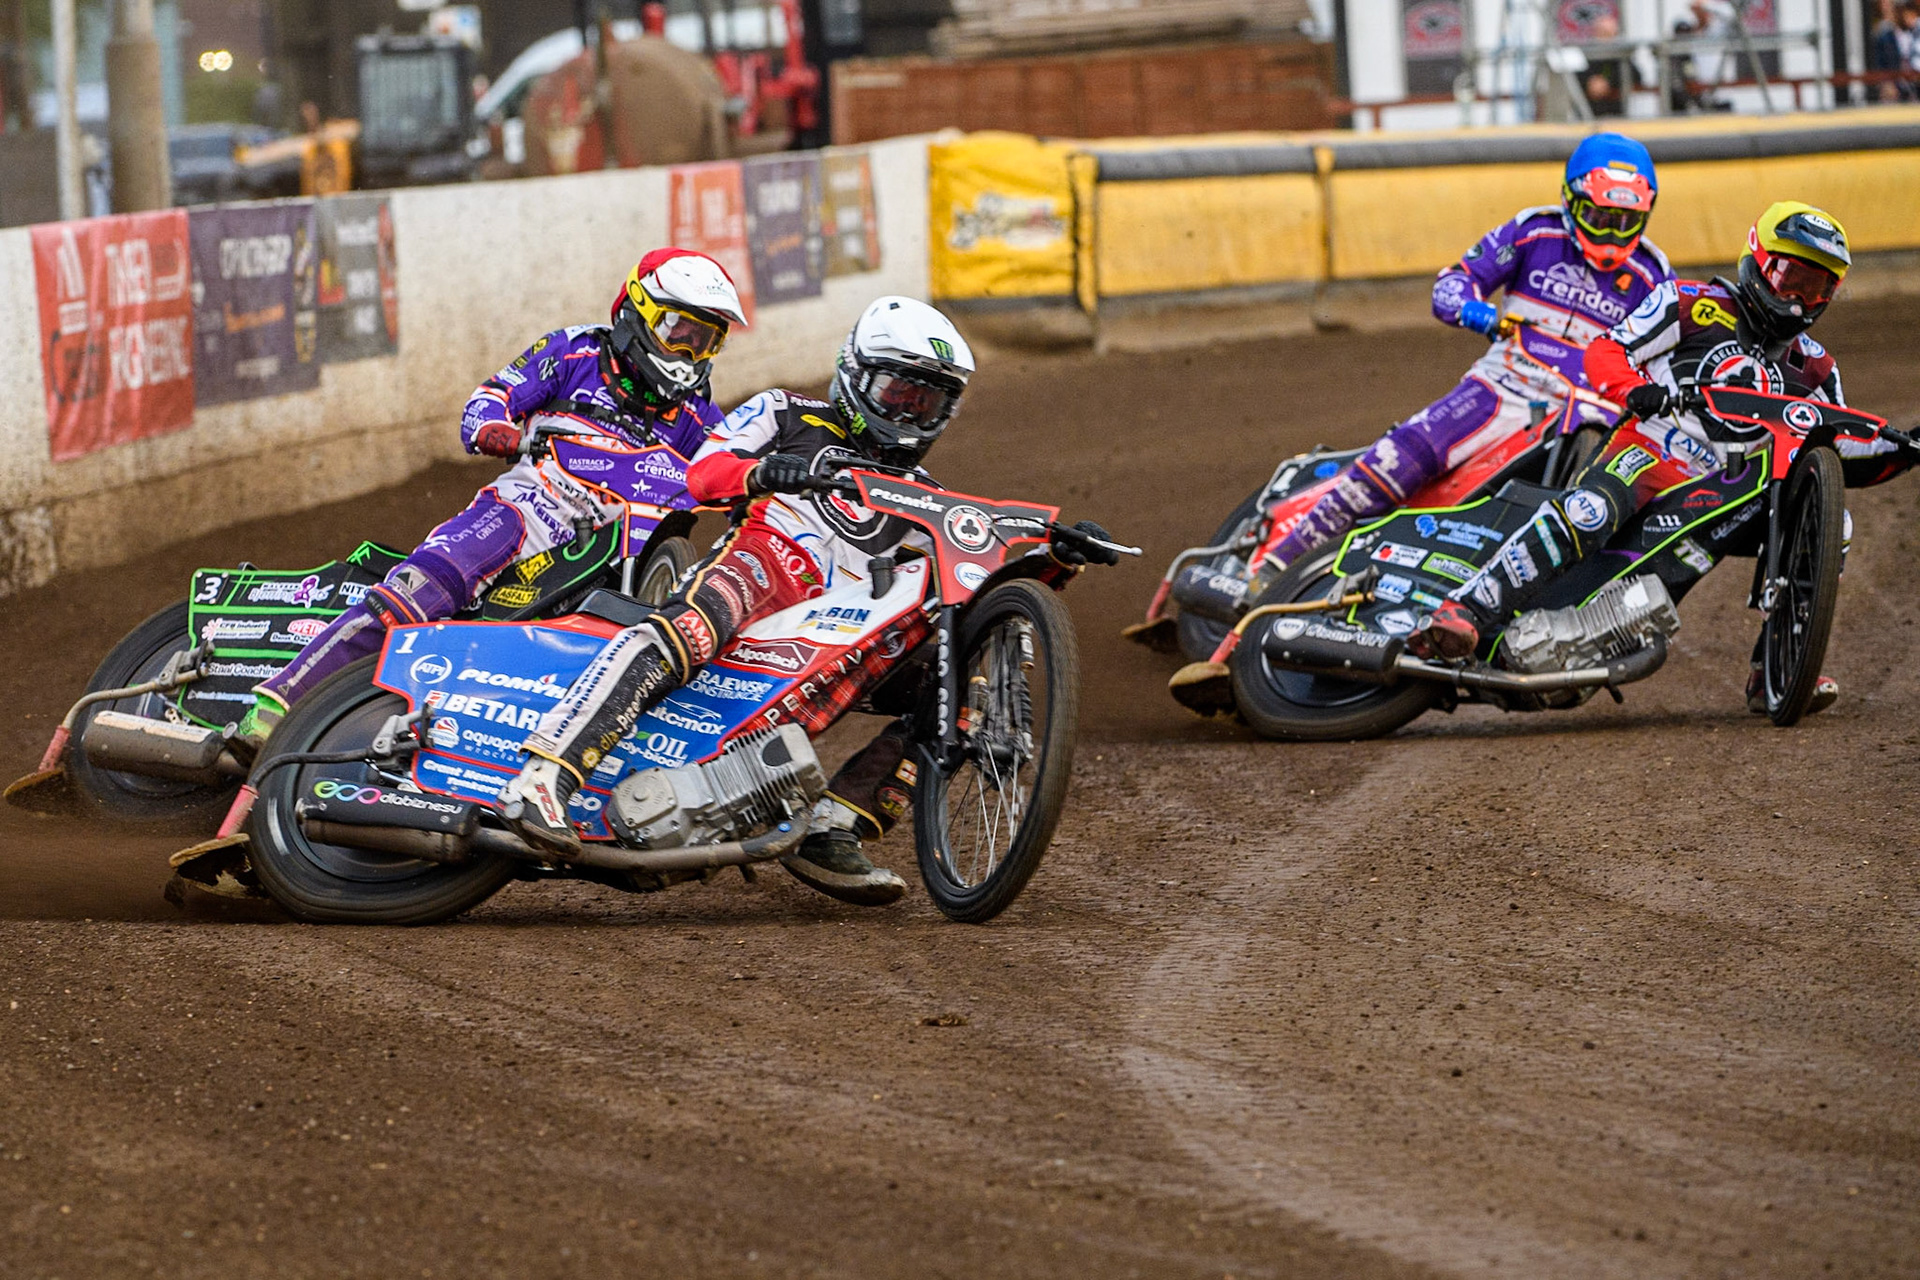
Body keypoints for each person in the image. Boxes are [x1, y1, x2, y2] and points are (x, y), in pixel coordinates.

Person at [495, 295, 1113, 905]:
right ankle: (545, 775)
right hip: (762, 567)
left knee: (957, 683)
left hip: (836, 634)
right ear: (855, 373)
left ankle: (834, 826)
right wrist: (763, 472)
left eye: (926, 401)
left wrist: (1055, 559)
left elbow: (963, 589)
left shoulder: (925, 493)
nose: (908, 411)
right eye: (898, 392)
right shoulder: (786, 410)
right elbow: (702, 472)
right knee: (691, 626)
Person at [232, 247, 747, 751]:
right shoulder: (575, 353)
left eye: (705, 341)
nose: (688, 352)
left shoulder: (699, 417)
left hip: (616, 555)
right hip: (529, 509)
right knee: (425, 589)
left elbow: (735, 473)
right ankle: (276, 704)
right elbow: (491, 397)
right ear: (638, 313)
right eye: (679, 331)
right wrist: (497, 429)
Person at [1414, 201, 1869, 713]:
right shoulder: (1689, 301)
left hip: (1726, 492)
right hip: (1649, 449)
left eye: (1817, 288)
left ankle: (1777, 668)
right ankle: (1466, 610)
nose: (1798, 298)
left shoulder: (1818, 368)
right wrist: (1634, 391)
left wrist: (1905, 446)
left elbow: (1844, 444)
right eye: (1791, 277)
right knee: (1590, 512)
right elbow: (1606, 350)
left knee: (1834, 522)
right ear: (1758, 259)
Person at [1245, 132, 1672, 593]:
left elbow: (1669, 360)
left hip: (1596, 414)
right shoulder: (1533, 231)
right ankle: (1273, 567)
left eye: (1625, 221)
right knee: (1401, 456)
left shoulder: (1654, 275)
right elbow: (1453, 282)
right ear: (1570, 200)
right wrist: (1474, 309)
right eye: (1598, 216)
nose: (1611, 234)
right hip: (1507, 384)